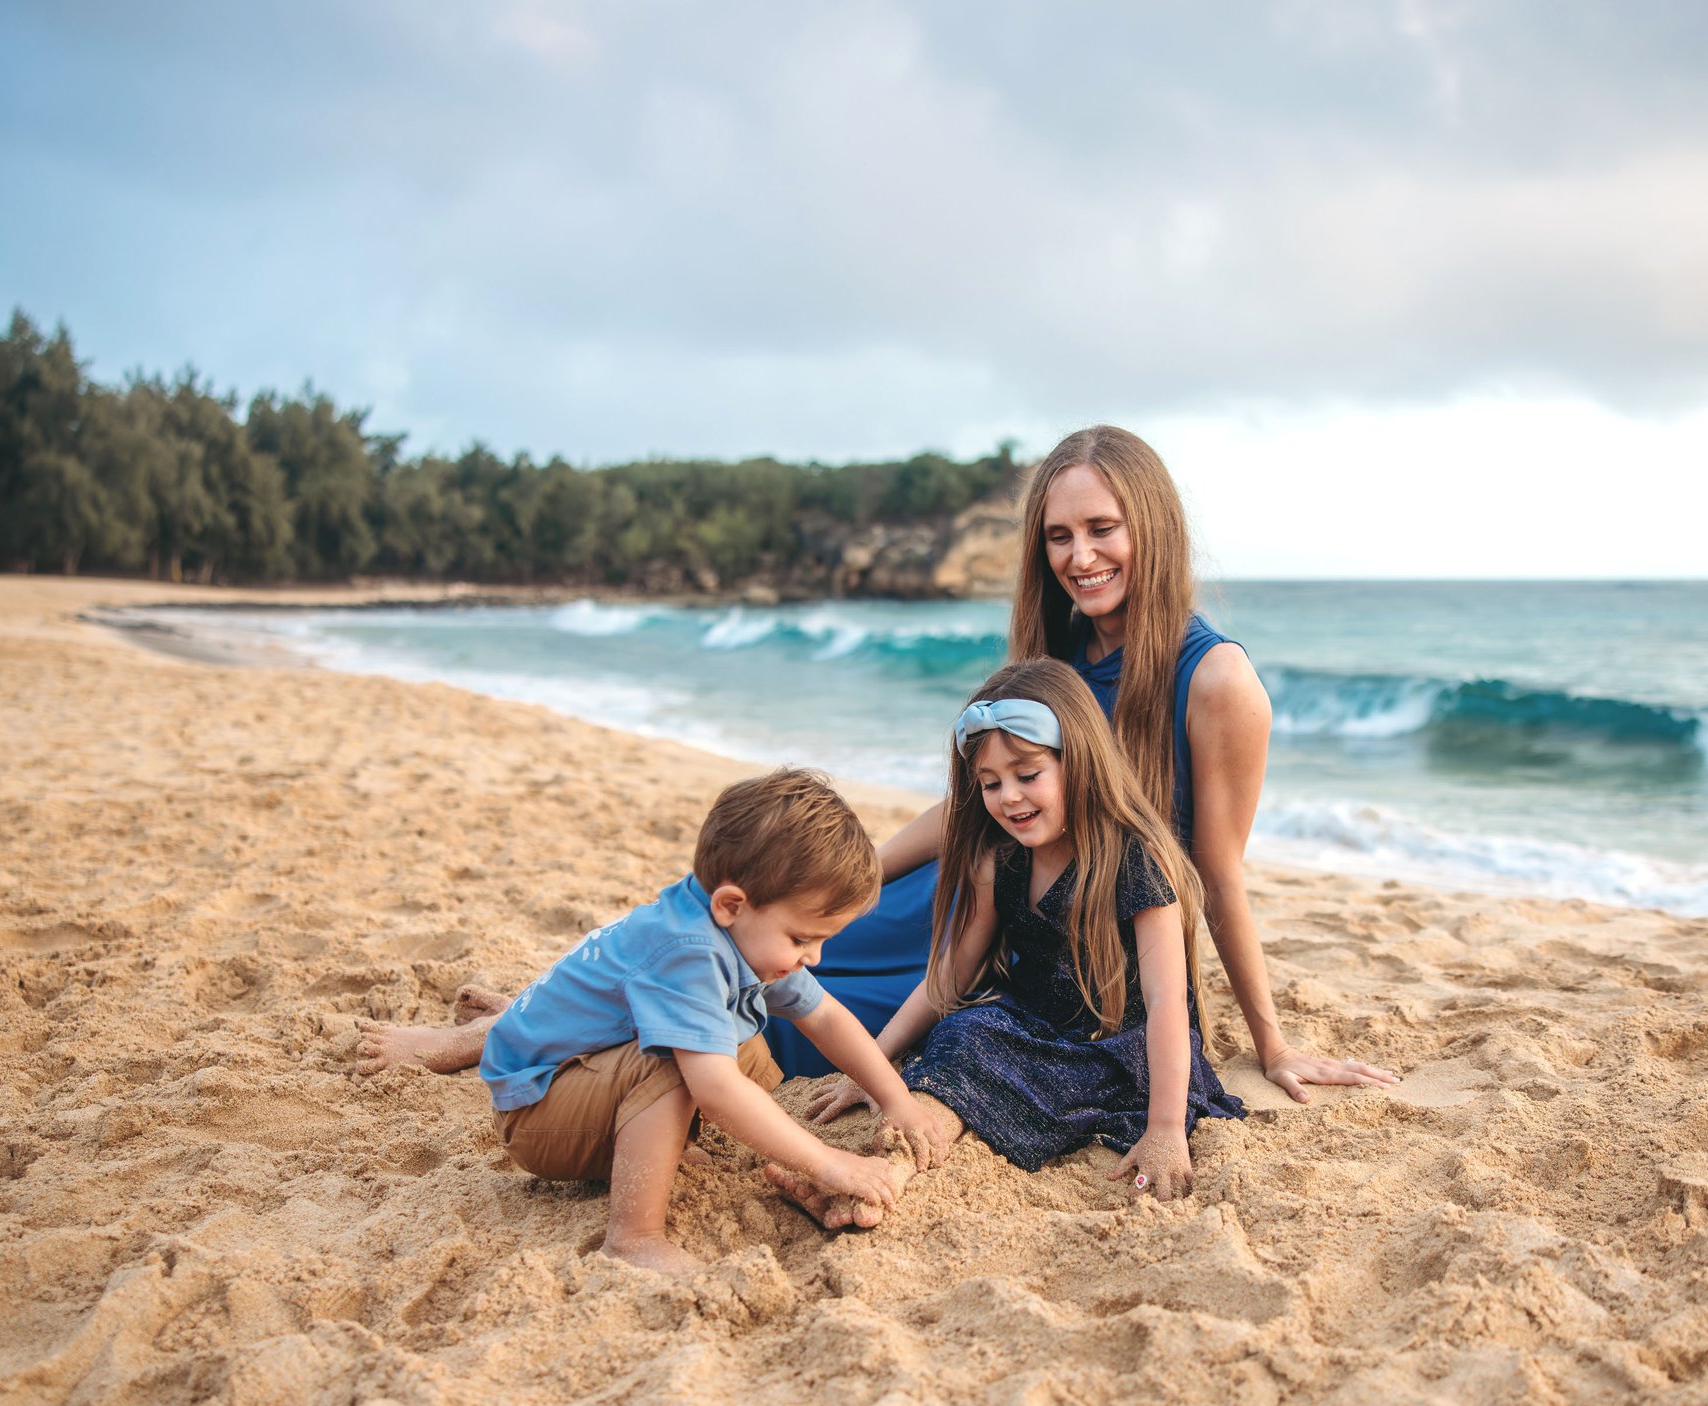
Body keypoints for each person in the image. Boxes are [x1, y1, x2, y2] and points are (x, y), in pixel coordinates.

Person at [765, 425, 1397, 1101]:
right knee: (785, 924)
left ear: (1151, 528)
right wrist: (858, 879)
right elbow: (975, 803)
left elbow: (1216, 873)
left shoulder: (1217, 680)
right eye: (1059, 536)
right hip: (982, 892)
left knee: (805, 1017)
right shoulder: (1054, 654)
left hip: (1061, 950)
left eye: (1102, 528)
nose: (1080, 556)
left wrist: (1273, 1045)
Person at [769, 660, 1242, 1228]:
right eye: (990, 783)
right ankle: (874, 1174)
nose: (1009, 797)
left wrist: (1164, 1129)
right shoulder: (1002, 860)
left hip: (1118, 1048)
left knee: (992, 1067)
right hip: (1027, 1026)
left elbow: (1167, 1004)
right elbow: (951, 976)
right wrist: (872, 1063)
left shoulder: (1136, 860)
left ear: (1079, 761)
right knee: (963, 1035)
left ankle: (880, 1182)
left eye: (1028, 774)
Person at [441, 769, 953, 1274]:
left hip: (586, 1073)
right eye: (801, 939)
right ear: (731, 905)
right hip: (536, 1113)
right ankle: (633, 1238)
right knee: (682, 1064)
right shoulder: (688, 951)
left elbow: (825, 1016)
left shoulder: (735, 927)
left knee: (744, 1044)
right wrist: (827, 1161)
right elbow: (715, 1089)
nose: (814, 957)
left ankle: (662, 1145)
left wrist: (896, 1100)